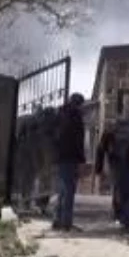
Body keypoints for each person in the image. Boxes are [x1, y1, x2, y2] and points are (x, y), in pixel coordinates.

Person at [95, 109, 129, 233]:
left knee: (118, 189)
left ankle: (119, 217)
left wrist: (99, 168)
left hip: (115, 163)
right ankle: (128, 221)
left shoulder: (113, 127)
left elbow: (100, 147)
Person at [52, 93, 86, 232]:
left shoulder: (60, 114)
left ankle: (58, 220)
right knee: (69, 190)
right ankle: (66, 223)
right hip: (70, 157)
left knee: (62, 190)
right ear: (79, 104)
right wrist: (81, 158)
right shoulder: (75, 116)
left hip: (60, 157)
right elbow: (77, 140)